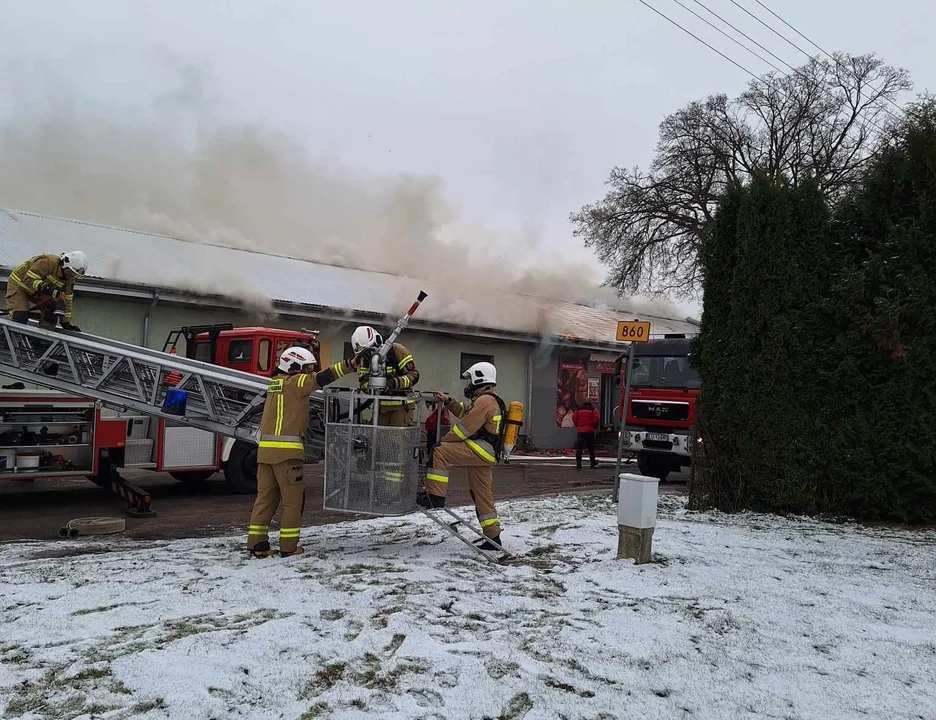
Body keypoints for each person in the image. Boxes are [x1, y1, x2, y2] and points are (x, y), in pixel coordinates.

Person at [247, 346, 360, 558]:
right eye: (306, 368)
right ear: (294, 366)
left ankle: (257, 544)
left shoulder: (274, 385)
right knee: (292, 502)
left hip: (265, 454)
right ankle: (289, 548)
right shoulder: (296, 383)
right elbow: (322, 378)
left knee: (264, 500)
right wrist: (350, 364)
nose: (308, 373)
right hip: (288, 456)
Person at [417, 361, 507, 551]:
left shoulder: (485, 401)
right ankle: (493, 537)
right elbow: (467, 413)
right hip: (487, 452)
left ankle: (435, 496)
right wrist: (448, 402)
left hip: (481, 449)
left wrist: (444, 441)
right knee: (482, 493)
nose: (468, 385)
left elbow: (464, 428)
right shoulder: (489, 400)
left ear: (479, 378)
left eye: (470, 381)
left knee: (440, 451)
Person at [350, 325, 419, 427]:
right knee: (376, 440)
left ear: (377, 341)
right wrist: (372, 387)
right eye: (364, 354)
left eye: (369, 351)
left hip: (402, 406)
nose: (369, 356)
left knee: (396, 441)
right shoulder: (364, 360)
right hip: (381, 408)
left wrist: (393, 383)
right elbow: (363, 383)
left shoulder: (397, 351)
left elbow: (414, 375)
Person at [4, 251, 88, 331]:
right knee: (20, 316)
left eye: (75, 275)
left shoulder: (70, 279)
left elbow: (67, 300)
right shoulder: (47, 262)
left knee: (51, 316)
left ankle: (41, 342)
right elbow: (29, 280)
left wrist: (65, 322)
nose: (72, 276)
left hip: (38, 291)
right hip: (19, 285)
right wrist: (49, 289)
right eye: (72, 272)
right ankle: (13, 340)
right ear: (65, 265)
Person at [572, 401, 600, 469]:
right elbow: (596, 419)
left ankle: (578, 463)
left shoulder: (578, 410)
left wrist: (577, 425)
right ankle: (592, 462)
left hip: (580, 431)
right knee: (591, 448)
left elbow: (574, 418)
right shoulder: (593, 410)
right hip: (589, 431)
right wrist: (594, 427)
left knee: (579, 448)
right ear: (590, 403)